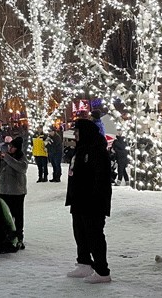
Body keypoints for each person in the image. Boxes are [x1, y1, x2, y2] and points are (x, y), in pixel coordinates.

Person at [65, 119, 113, 284]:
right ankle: (84, 262)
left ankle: (102, 270)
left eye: (77, 132)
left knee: (94, 235)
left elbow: (102, 179)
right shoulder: (81, 149)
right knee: (80, 233)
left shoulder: (97, 151)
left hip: (92, 202)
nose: (75, 135)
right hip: (78, 200)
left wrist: (96, 199)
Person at [0, 136, 28, 249]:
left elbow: (22, 168)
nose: (10, 149)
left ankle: (19, 237)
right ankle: (6, 236)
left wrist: (7, 158)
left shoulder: (21, 157)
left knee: (17, 215)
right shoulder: (4, 157)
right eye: (9, 146)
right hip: (3, 190)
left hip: (17, 191)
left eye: (12, 147)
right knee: (5, 216)